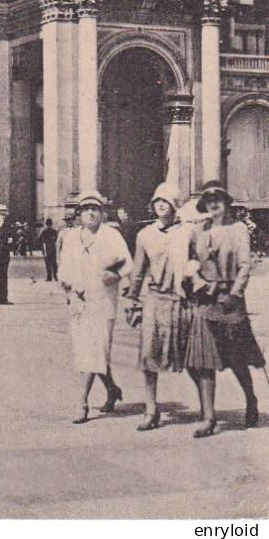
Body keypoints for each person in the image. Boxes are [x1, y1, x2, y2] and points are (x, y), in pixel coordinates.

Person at [184, 180, 265, 438]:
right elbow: (191, 261)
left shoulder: (238, 229)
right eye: (209, 200)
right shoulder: (199, 231)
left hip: (230, 301)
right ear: (204, 205)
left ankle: (251, 400)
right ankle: (209, 418)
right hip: (205, 301)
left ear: (226, 202)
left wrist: (234, 294)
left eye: (218, 198)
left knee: (237, 358)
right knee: (203, 361)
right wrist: (195, 282)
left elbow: (244, 266)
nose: (214, 203)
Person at [58, 190, 133, 423]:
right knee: (87, 351)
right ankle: (112, 389)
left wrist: (116, 276)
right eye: (86, 209)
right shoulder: (71, 238)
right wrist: (69, 291)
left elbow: (127, 264)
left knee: (94, 350)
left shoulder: (111, 235)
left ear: (102, 213)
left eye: (95, 209)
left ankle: (82, 403)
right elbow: (64, 270)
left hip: (103, 301)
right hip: (79, 302)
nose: (91, 212)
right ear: (79, 213)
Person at [125, 183, 193, 431]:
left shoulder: (188, 232)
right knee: (148, 358)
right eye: (157, 201)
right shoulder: (145, 235)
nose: (161, 205)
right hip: (154, 301)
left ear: (174, 205)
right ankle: (151, 411)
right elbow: (138, 271)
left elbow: (198, 262)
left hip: (181, 302)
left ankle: (208, 411)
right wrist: (132, 300)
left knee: (193, 358)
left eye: (166, 201)